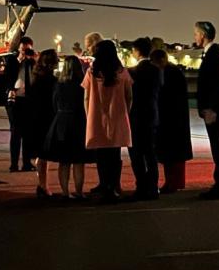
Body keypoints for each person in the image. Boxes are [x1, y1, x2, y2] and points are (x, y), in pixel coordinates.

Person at [83, 39, 133, 203]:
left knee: (101, 154)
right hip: (118, 117)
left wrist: (88, 114)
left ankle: (104, 184)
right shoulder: (122, 72)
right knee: (115, 153)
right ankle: (114, 185)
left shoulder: (92, 72)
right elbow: (129, 96)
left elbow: (86, 97)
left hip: (97, 117)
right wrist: (126, 111)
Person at [194, 21, 219, 199]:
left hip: (215, 110)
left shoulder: (214, 54)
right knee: (217, 146)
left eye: (196, 33)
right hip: (214, 108)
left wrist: (212, 109)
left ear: (203, 35)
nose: (194, 37)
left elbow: (216, 85)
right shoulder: (211, 53)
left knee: (218, 147)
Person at [44, 55, 90, 199]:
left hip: (62, 120)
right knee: (78, 160)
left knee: (64, 161)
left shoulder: (59, 83)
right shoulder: (82, 84)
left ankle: (64, 191)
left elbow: (53, 103)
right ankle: (79, 191)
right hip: (78, 121)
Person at [150, 49, 193, 193]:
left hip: (173, 119)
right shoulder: (172, 72)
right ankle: (172, 182)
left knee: (173, 156)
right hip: (173, 119)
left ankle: (174, 183)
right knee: (171, 155)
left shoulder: (171, 73)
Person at [128, 37, 161, 200]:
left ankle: (141, 186)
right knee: (151, 154)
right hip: (152, 115)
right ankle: (153, 187)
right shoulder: (156, 70)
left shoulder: (133, 72)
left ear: (137, 52)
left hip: (136, 117)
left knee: (137, 155)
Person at [1, 37, 36, 172]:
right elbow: (8, 76)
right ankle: (14, 163)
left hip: (28, 100)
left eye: (28, 48)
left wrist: (35, 59)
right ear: (19, 48)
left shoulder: (32, 61)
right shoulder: (12, 61)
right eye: (23, 48)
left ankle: (27, 163)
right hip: (14, 100)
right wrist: (20, 59)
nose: (25, 51)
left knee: (28, 132)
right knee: (16, 131)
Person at [28, 49, 59, 198]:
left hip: (35, 118)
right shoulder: (53, 81)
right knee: (45, 153)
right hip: (48, 118)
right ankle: (43, 185)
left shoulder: (36, 79)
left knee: (40, 153)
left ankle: (42, 184)